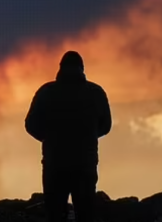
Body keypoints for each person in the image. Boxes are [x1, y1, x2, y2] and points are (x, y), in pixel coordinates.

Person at [25, 51, 112, 222]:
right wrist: (90, 138)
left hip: (54, 164)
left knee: (55, 214)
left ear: (60, 68)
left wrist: (47, 139)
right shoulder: (96, 92)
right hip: (85, 165)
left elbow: (30, 124)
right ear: (82, 68)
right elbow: (106, 126)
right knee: (85, 213)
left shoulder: (46, 92)